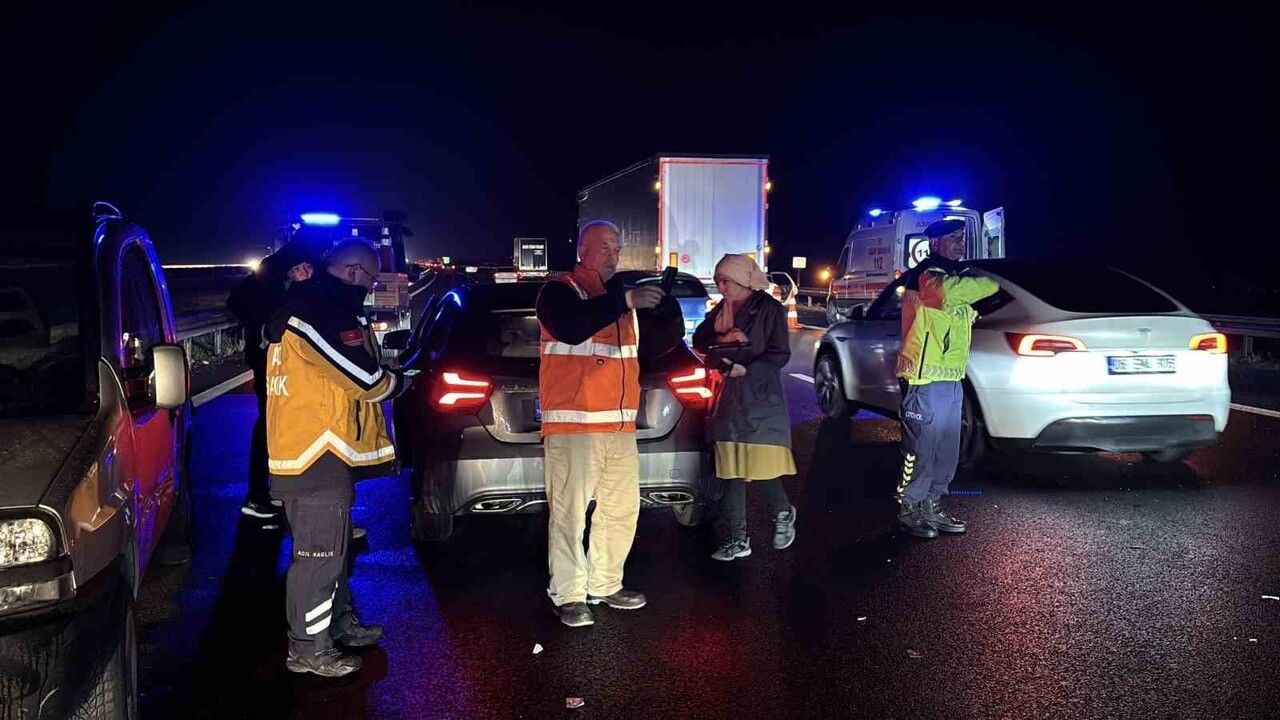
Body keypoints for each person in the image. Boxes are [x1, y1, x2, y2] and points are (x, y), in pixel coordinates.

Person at [264, 240, 408, 676]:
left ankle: (338, 625)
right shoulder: (317, 314)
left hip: (322, 453)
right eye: (368, 279)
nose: (368, 288)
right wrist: (398, 383)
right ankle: (307, 648)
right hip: (311, 455)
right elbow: (363, 378)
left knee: (335, 551)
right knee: (318, 558)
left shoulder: (313, 304)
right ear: (352, 272)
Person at [535, 220, 664, 628]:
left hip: (620, 428)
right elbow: (571, 328)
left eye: (617, 247)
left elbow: (652, 350)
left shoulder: (619, 302)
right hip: (575, 427)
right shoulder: (561, 291)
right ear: (582, 250)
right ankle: (569, 594)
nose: (613, 254)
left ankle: (606, 584)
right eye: (604, 247)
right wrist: (624, 300)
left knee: (621, 510)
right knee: (570, 515)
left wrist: (660, 305)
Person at [894, 219, 1000, 539]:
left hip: (951, 378)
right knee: (920, 448)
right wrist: (997, 282)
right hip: (922, 378)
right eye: (953, 238)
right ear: (936, 242)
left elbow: (978, 306)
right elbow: (954, 294)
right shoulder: (926, 276)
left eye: (962, 237)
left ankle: (932, 505)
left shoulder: (958, 278)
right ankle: (909, 507)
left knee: (946, 450)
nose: (960, 243)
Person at [693, 254, 797, 561]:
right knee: (731, 472)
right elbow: (700, 338)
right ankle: (738, 539)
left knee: (761, 466)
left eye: (726, 281)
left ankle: (782, 513)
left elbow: (779, 354)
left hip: (759, 398)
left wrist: (748, 370)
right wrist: (722, 338)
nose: (721, 287)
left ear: (743, 281)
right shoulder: (721, 310)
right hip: (728, 399)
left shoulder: (770, 309)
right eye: (718, 282)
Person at [226, 241, 321, 521]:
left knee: (276, 424)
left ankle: (271, 491)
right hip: (273, 362)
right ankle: (259, 495)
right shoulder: (275, 276)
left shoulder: (272, 271)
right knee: (271, 425)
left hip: (271, 360)